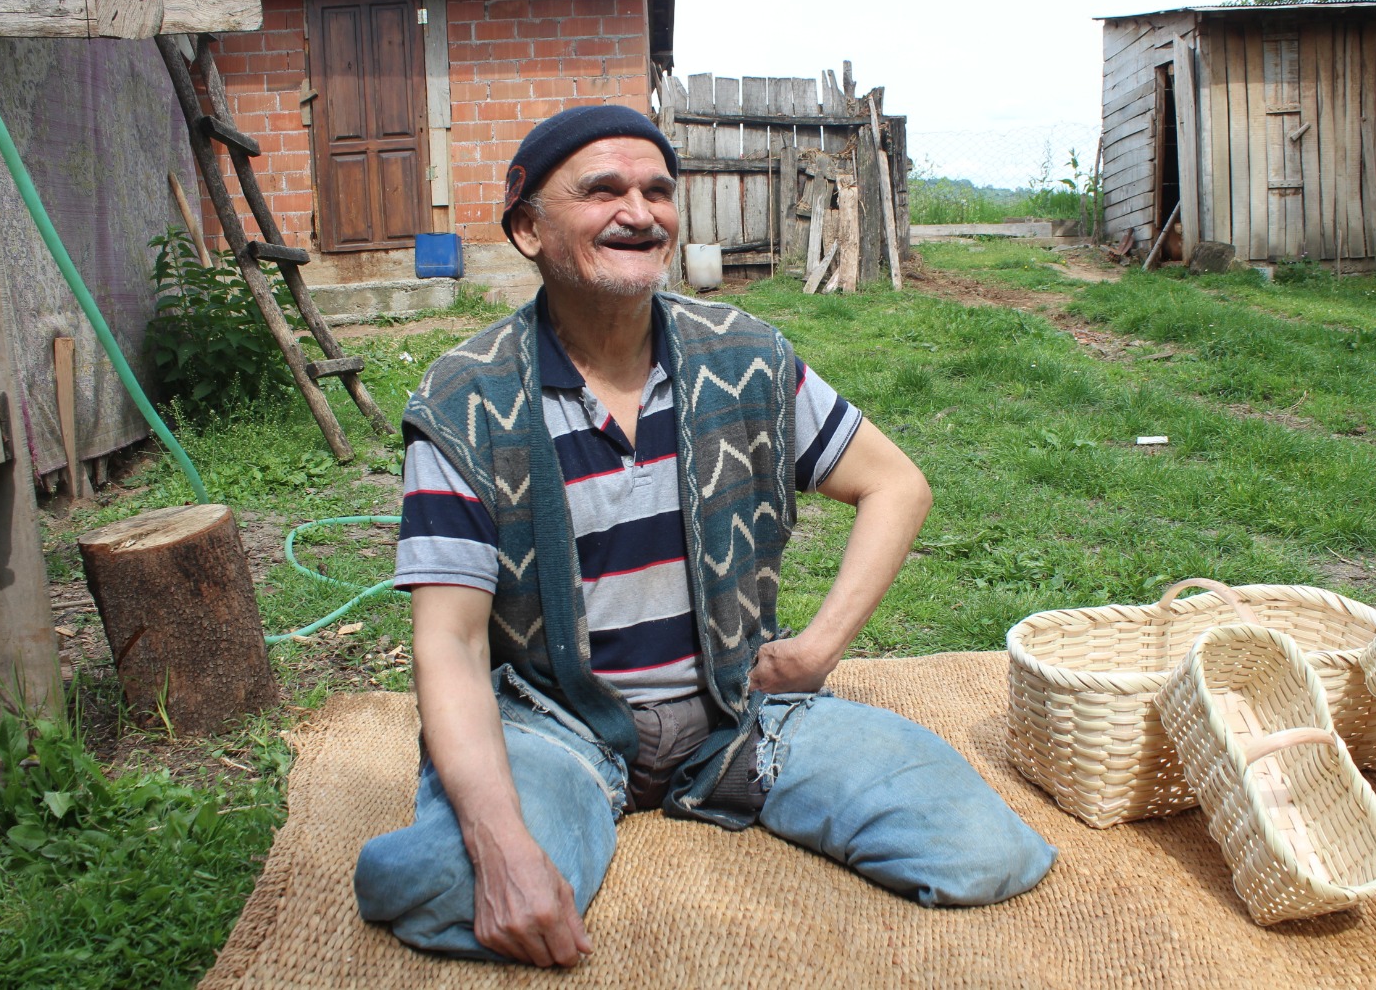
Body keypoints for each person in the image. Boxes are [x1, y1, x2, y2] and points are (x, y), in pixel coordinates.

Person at [354, 106, 1056, 967]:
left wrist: (816, 650)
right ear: (529, 229)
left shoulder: (743, 356)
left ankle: (722, 784)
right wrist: (503, 847)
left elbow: (896, 485)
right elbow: (452, 645)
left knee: (984, 851)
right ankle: (543, 806)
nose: (639, 212)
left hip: (737, 715)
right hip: (558, 726)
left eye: (657, 190)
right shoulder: (467, 400)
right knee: (446, 882)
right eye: (601, 191)